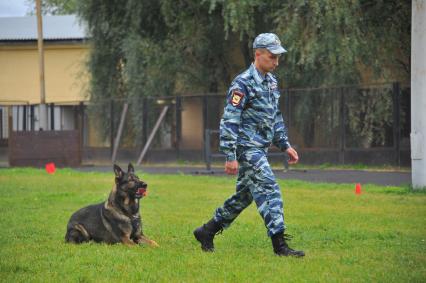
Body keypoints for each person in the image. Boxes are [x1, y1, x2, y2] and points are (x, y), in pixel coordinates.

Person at [193, 33, 304, 257]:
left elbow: (275, 117)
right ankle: (280, 246)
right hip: (247, 149)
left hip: (261, 148)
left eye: (278, 57)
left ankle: (207, 230)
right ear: (258, 54)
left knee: (244, 196)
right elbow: (229, 120)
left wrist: (285, 145)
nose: (276, 62)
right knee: (270, 188)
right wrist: (230, 155)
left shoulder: (272, 82)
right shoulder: (242, 83)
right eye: (272, 57)